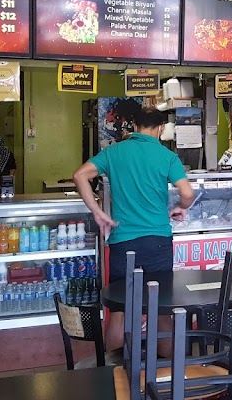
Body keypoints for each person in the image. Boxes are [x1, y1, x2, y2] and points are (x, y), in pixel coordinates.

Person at [73, 106, 194, 356]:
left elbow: (80, 175)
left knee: (120, 310)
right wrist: (181, 208)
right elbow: (187, 193)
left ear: (134, 127)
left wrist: (97, 211)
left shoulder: (114, 152)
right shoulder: (167, 156)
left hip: (123, 242)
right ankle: (166, 373)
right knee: (161, 309)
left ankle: (114, 372)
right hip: (158, 242)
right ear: (160, 129)